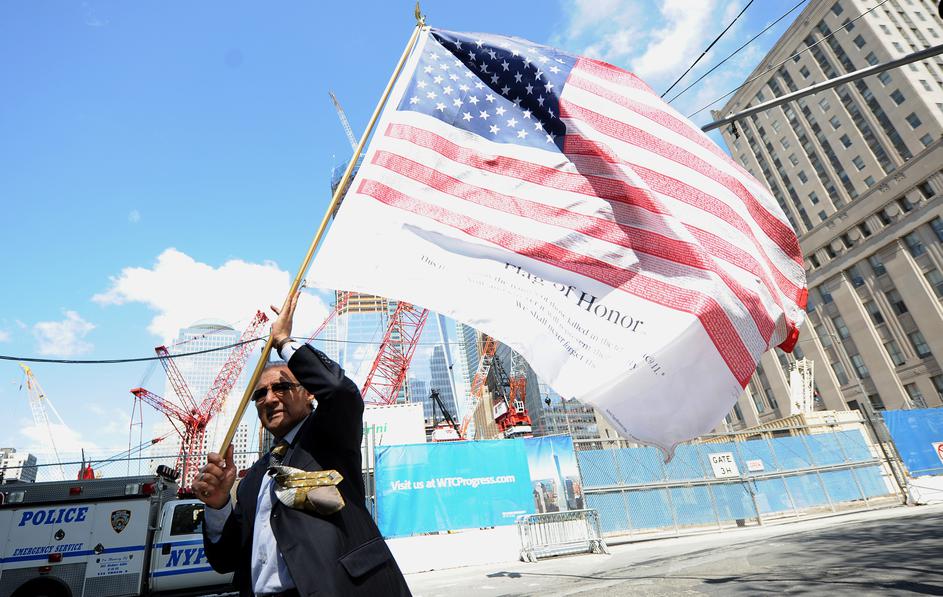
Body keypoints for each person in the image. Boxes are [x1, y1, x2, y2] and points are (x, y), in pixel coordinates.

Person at [194, 291, 412, 597]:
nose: (270, 398)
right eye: (260, 394)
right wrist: (218, 506)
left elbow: (338, 390)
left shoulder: (330, 437)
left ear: (309, 393)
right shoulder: (253, 479)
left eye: (282, 387)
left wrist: (284, 342)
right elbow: (224, 560)